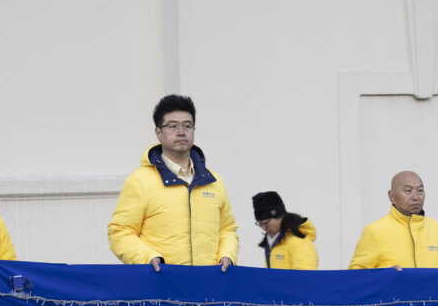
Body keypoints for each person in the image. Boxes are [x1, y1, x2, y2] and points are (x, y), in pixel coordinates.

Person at [107, 94, 238, 272]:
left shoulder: (213, 181)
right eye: (172, 126)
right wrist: (148, 258)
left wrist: (227, 255)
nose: (181, 131)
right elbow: (120, 232)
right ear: (158, 133)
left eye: (187, 125)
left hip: (209, 282)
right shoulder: (140, 181)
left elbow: (227, 229)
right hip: (162, 282)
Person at [348, 170, 438, 269]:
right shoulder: (375, 231)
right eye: (408, 191)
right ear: (392, 196)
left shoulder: (436, 228)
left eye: (420, 190)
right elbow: (356, 274)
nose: (416, 197)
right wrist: (385, 275)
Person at [252, 191, 317, 269]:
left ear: (279, 216)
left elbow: (304, 275)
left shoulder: (299, 243)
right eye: (260, 223)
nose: (263, 227)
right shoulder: (272, 242)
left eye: (266, 223)